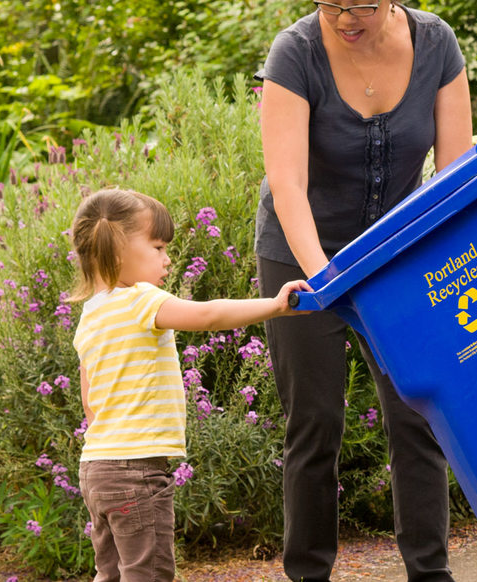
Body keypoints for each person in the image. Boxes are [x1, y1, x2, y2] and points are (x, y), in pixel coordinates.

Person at [254, 0, 472, 580]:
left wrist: (432, 265)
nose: (346, 18)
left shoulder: (436, 43)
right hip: (299, 257)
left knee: (417, 413)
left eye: (363, 6)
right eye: (331, 5)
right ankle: (308, 573)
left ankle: (431, 572)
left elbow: (454, 170)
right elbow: (288, 183)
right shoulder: (295, 53)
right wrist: (324, 275)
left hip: (396, 258)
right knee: (314, 423)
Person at [69, 188, 310, 581]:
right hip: (137, 470)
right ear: (117, 250)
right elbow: (211, 315)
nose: (167, 259)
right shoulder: (140, 300)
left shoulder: (89, 318)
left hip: (96, 469)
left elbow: (90, 404)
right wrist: (276, 305)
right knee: (147, 574)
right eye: (158, 247)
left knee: (110, 574)